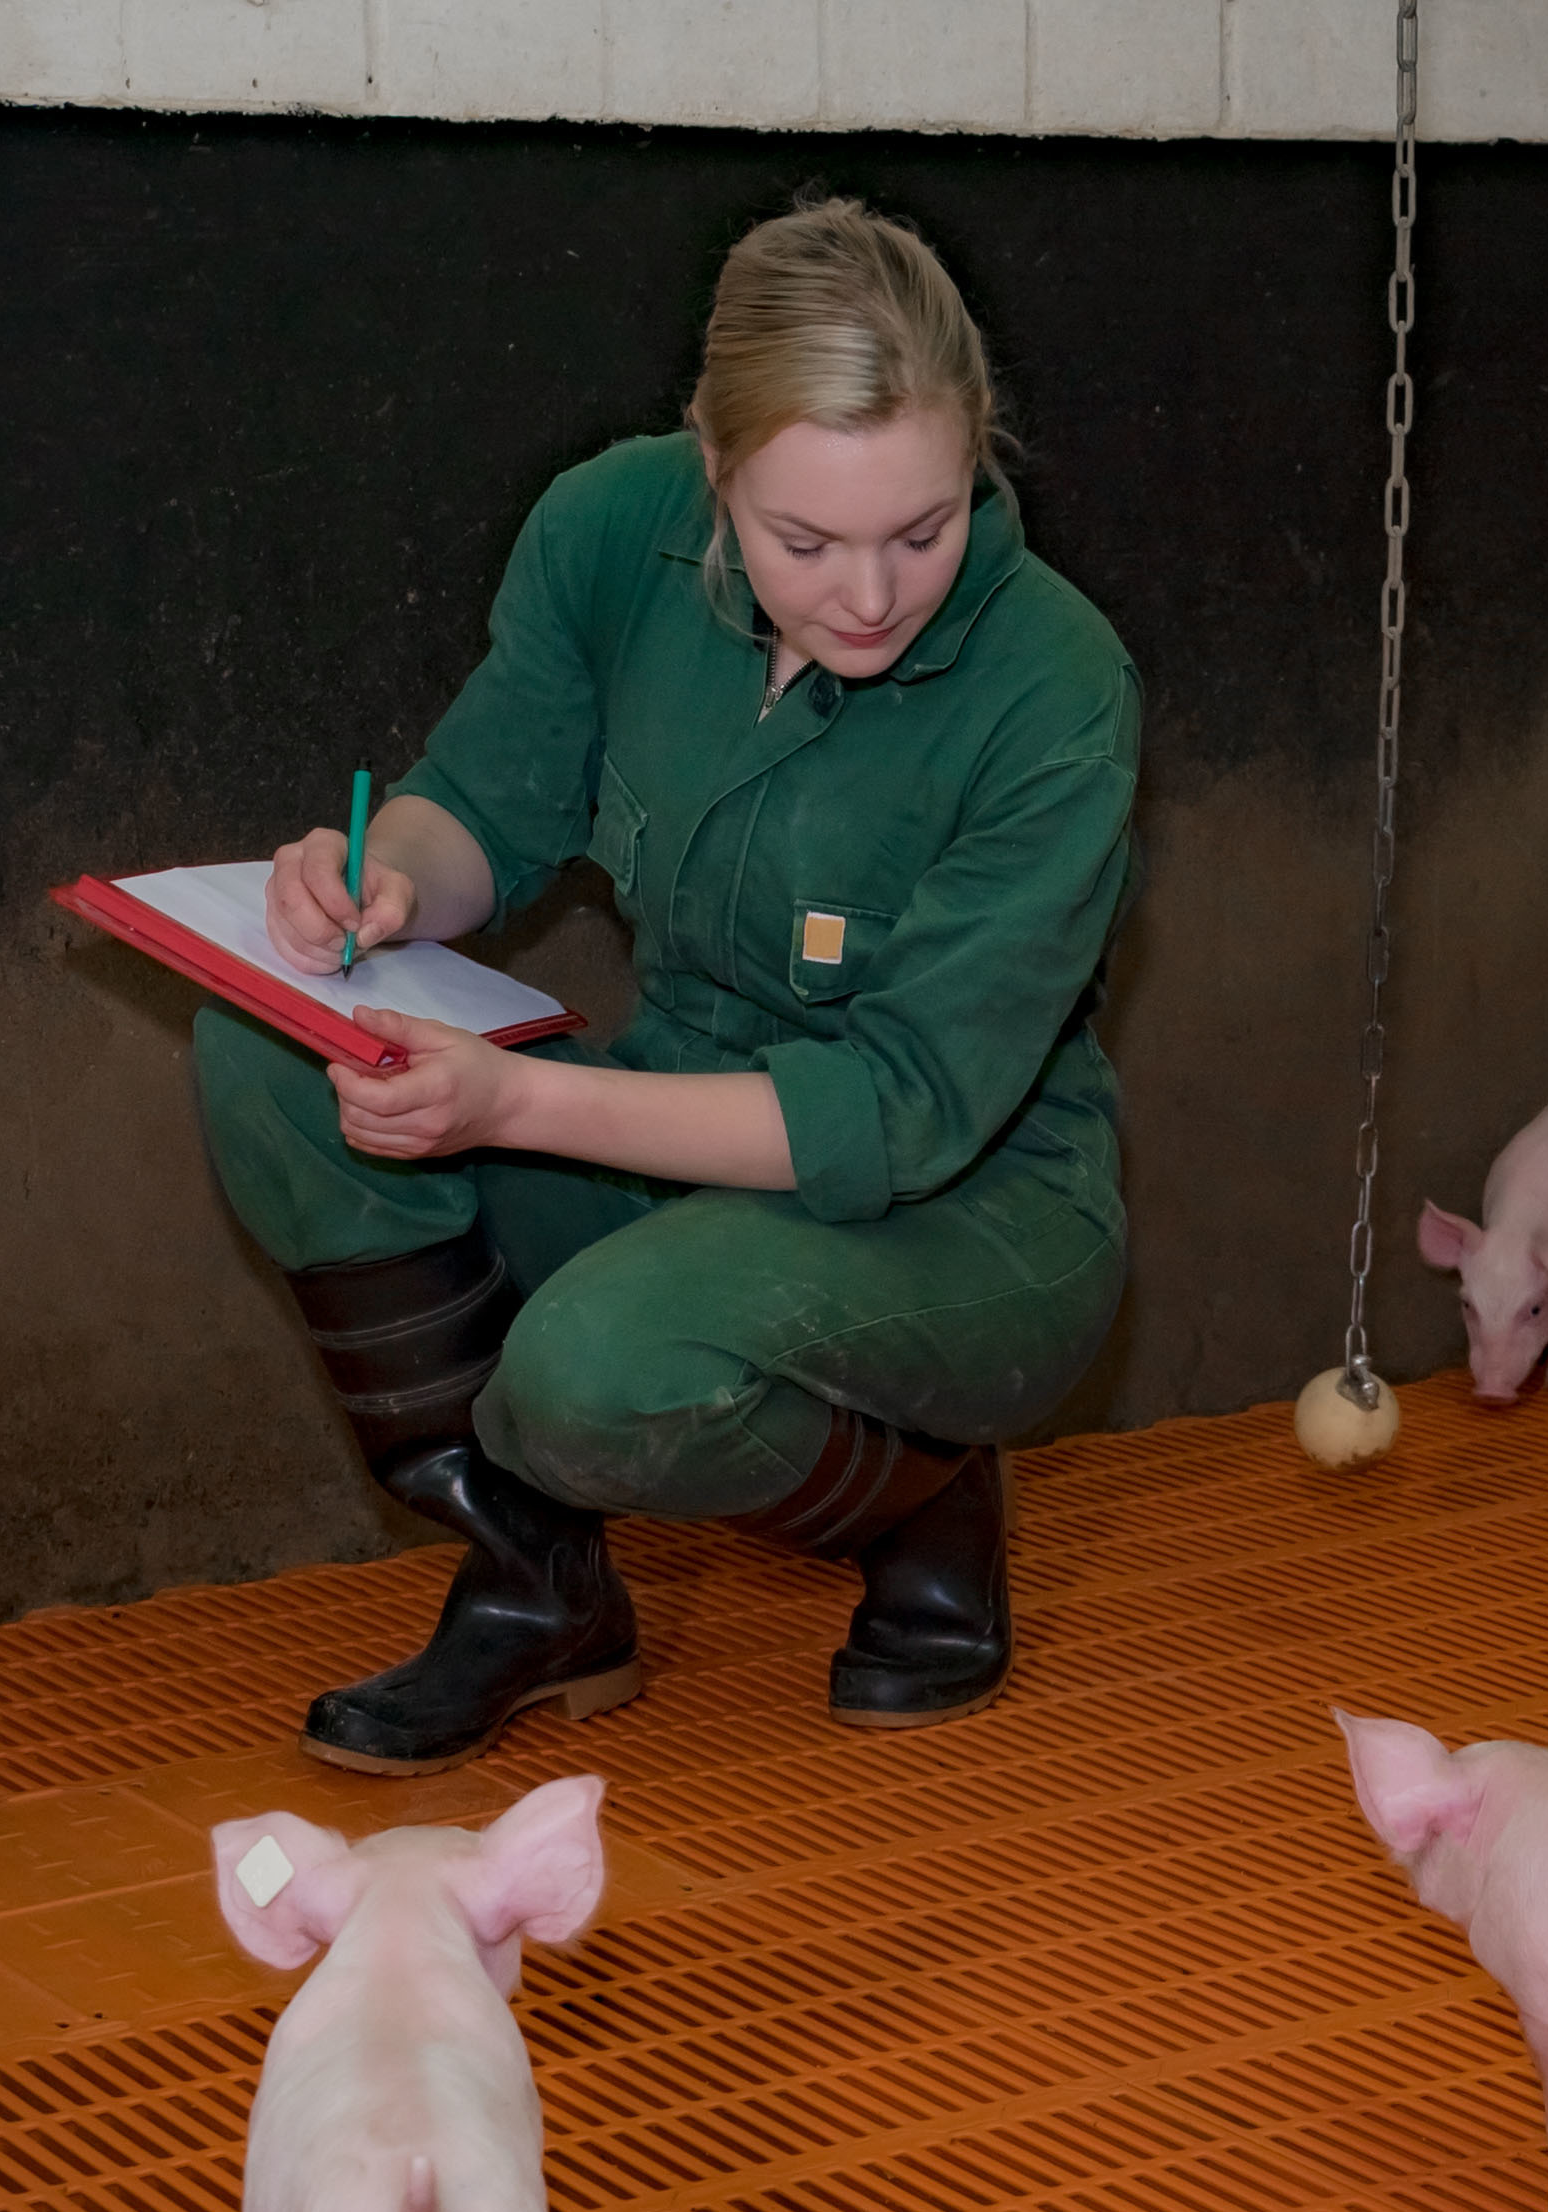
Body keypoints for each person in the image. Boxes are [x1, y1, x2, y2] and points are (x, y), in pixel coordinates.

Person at [192, 196, 1140, 1773]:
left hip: (967, 1206)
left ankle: (925, 1491)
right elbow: (482, 807)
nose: (871, 596)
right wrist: (391, 882)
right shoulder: (607, 530)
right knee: (272, 1051)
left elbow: (897, 1111)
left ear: (979, 452)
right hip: (665, 1128)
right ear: (712, 459)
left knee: (596, 1381)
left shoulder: (1057, 686)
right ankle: (535, 1582)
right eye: (804, 540)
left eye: (924, 527)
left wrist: (518, 1099)